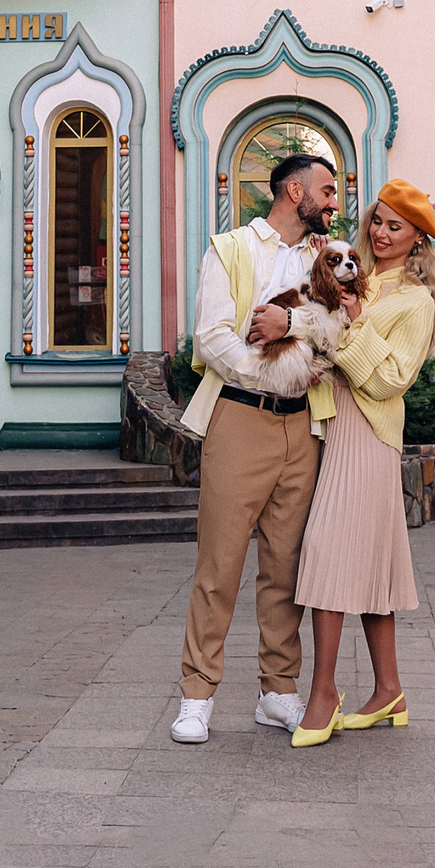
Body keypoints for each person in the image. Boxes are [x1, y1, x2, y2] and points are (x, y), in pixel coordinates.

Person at [169, 150, 339, 744]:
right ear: (295, 192)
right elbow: (211, 337)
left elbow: (340, 331)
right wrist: (272, 373)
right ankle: (197, 696)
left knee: (285, 569)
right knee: (219, 565)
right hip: (240, 418)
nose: (334, 201)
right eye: (327, 190)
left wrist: (295, 331)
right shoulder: (231, 248)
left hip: (304, 426)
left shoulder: (326, 257)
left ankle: (278, 692)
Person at [287, 180, 435, 748]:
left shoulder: (416, 301)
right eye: (377, 221)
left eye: (395, 226)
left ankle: (323, 694)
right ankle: (390, 692)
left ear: (417, 239)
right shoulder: (353, 273)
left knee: (325, 551)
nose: (380, 233)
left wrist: (353, 322)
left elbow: (388, 381)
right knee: (373, 566)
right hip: (331, 426)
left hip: (370, 436)